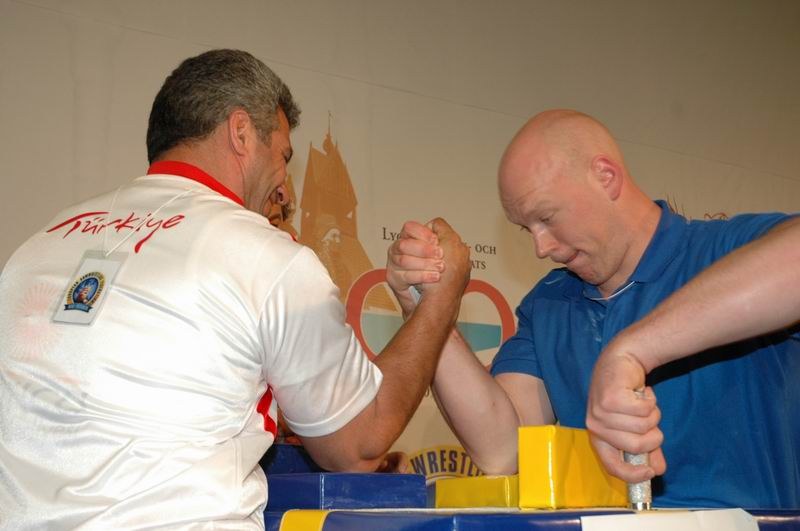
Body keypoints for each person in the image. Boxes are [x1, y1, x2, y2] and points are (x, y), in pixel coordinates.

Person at [0, 49, 470, 529]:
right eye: (284, 157)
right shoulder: (263, 257)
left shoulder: (36, 247)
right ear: (241, 132)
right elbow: (359, 443)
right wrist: (441, 300)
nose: (285, 189)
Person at [387, 109, 799, 508]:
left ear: (606, 177)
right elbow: (504, 452)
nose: (541, 247)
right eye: (526, 229)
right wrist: (427, 310)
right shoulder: (550, 302)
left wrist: (633, 350)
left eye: (546, 218)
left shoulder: (722, 250)